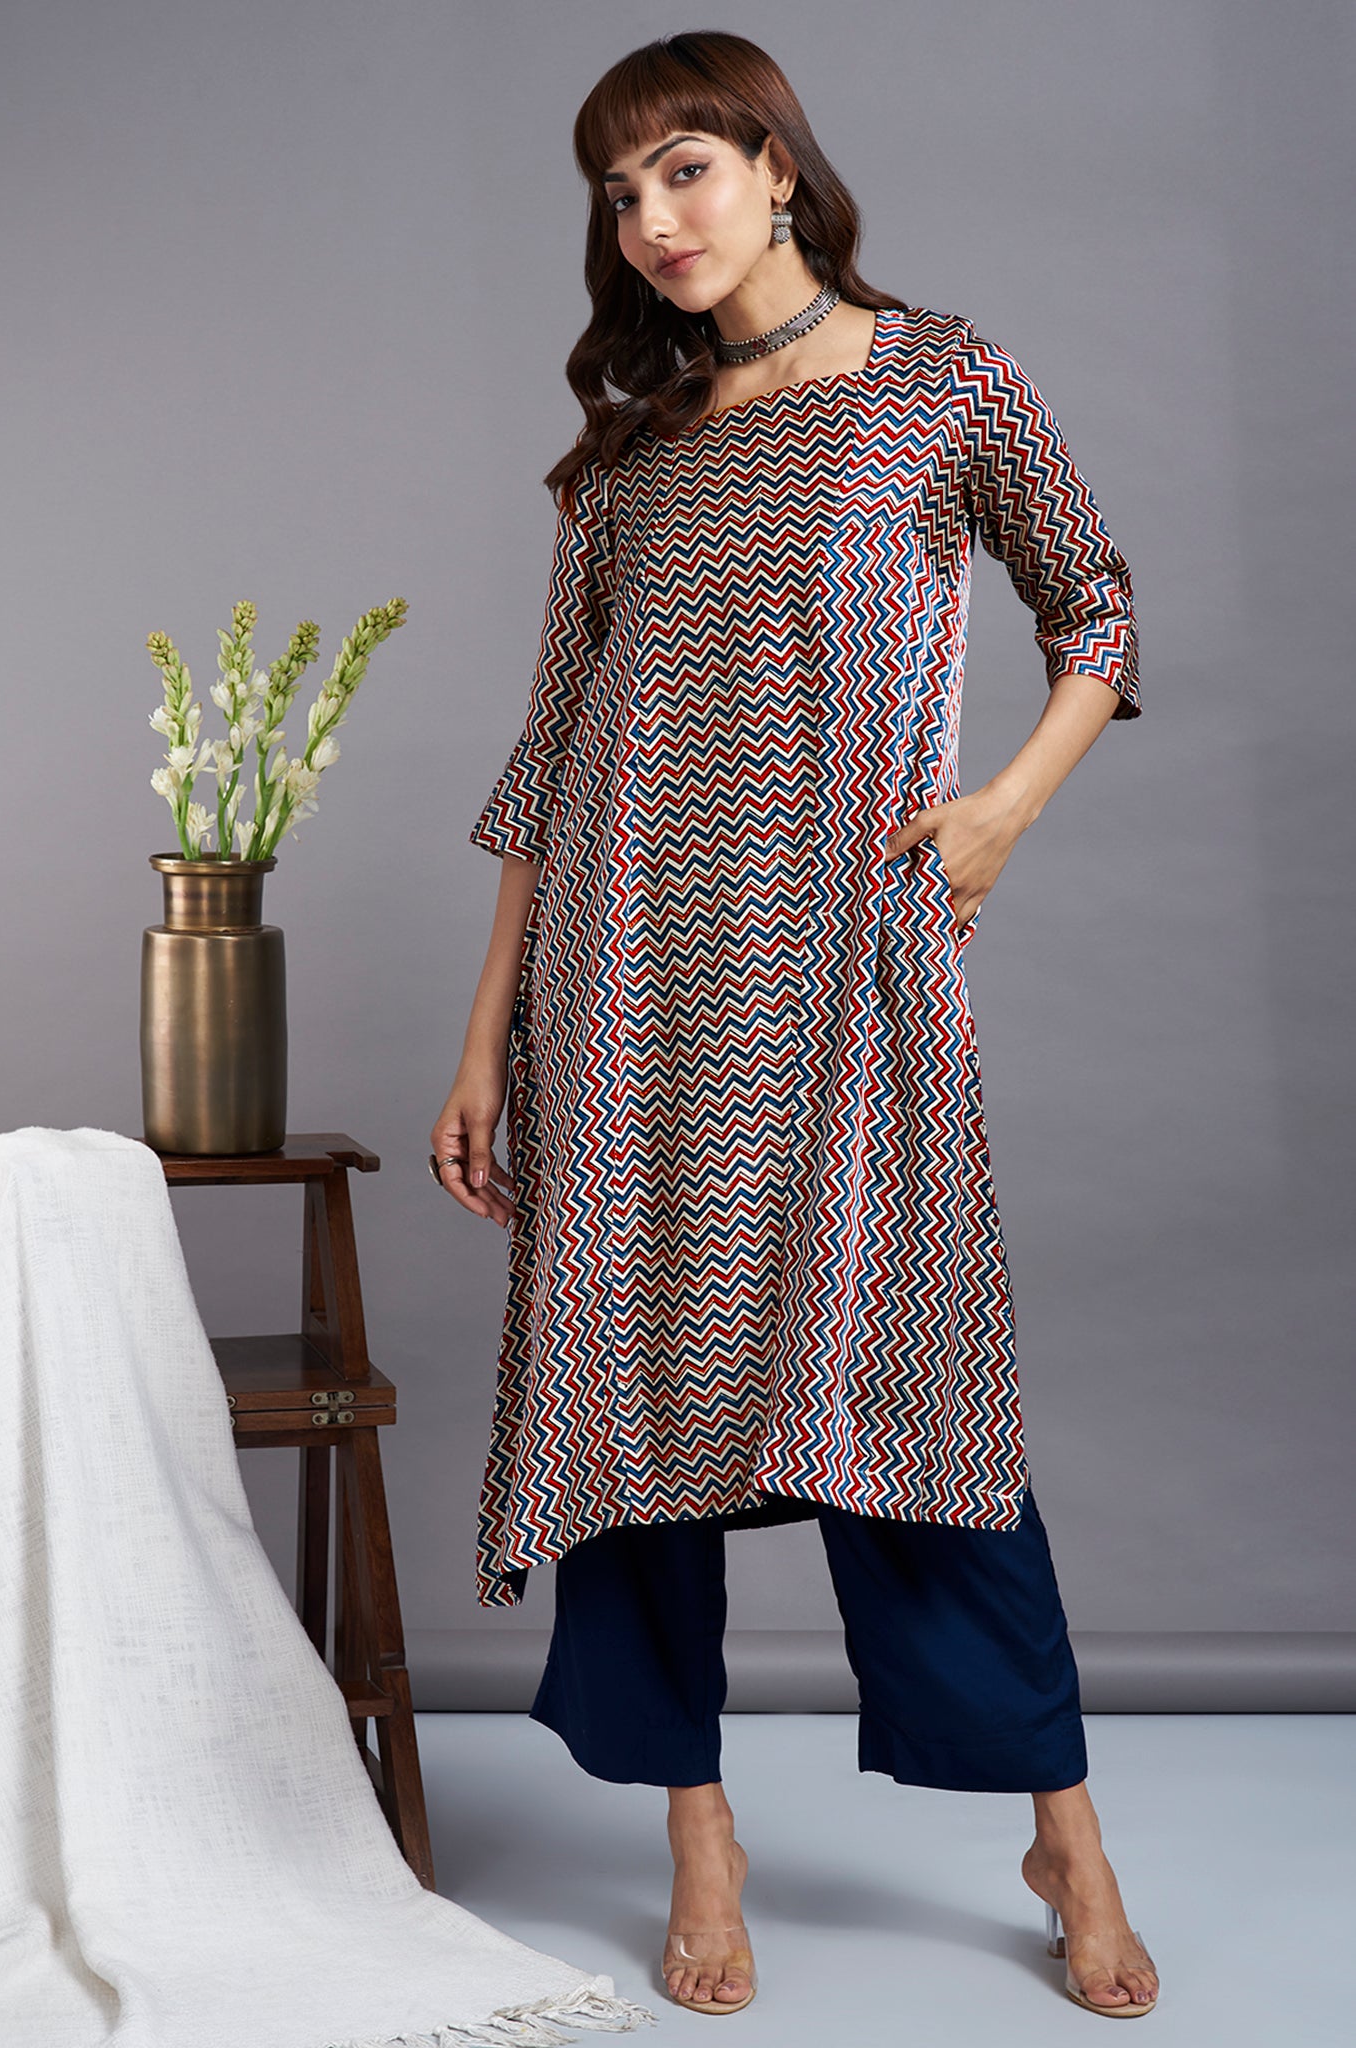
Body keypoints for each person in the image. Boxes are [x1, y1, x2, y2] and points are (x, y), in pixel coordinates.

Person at [431, 28, 1160, 2025]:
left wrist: (999, 809)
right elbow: (550, 754)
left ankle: (1062, 1835)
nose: (648, 220)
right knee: (631, 1410)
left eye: (680, 168)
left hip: (845, 979)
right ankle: (697, 1834)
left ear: (773, 166)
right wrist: (485, 1041)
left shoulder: (940, 380)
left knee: (915, 1395)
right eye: (616, 194)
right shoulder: (629, 455)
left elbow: (1091, 607)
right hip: (623, 991)